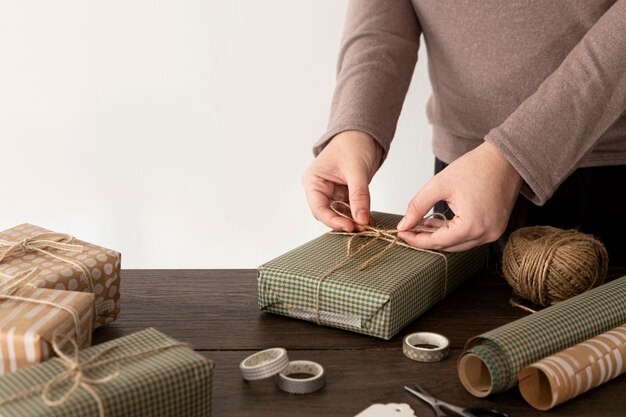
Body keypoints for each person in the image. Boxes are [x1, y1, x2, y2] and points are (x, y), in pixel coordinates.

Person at [302, 0, 626, 264]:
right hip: (461, 184)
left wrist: (516, 154)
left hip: (606, 172)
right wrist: (356, 128)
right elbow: (381, 23)